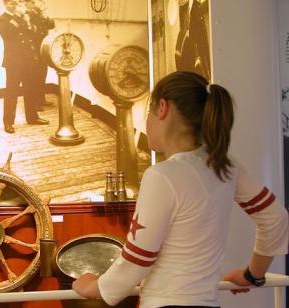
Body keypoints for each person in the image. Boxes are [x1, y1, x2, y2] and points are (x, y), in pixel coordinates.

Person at [72, 71, 288, 307]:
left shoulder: (161, 176)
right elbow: (275, 218)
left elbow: (139, 257)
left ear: (162, 108)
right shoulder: (225, 166)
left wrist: (95, 287)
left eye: (148, 112)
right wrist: (252, 275)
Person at [0, 0, 49, 134]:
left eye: (17, 3)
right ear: (5, 4)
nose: (15, 6)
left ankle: (32, 117)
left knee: (30, 89)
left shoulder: (24, 18)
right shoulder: (1, 19)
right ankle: (8, 122)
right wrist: (16, 16)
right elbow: (7, 34)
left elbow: (34, 36)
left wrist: (29, 22)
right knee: (11, 92)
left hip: (28, 61)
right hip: (14, 62)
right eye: (12, 3)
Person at [25, 0, 54, 111]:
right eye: (32, 2)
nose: (35, 4)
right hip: (34, 49)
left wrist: (45, 15)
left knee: (42, 74)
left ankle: (41, 99)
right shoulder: (27, 15)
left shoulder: (40, 13)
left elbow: (51, 25)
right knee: (34, 77)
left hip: (42, 48)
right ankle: (34, 103)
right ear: (28, 4)